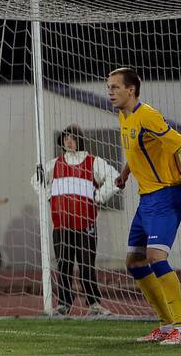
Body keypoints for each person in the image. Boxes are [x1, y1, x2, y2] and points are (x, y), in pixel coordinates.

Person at [107, 67, 181, 346]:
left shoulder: (148, 115)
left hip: (167, 194)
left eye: (115, 87)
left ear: (131, 90)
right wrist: (125, 174)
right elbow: (136, 149)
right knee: (134, 262)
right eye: (109, 87)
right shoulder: (124, 116)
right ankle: (166, 325)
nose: (110, 92)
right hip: (147, 198)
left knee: (156, 256)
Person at [31, 124, 118, 317]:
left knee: (87, 265)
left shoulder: (93, 162)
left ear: (79, 140)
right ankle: (63, 304)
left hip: (86, 224)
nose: (68, 141)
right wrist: (48, 196)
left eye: (72, 137)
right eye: (65, 138)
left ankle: (94, 304)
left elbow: (115, 178)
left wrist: (99, 196)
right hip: (61, 224)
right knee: (64, 264)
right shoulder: (54, 164)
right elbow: (35, 180)